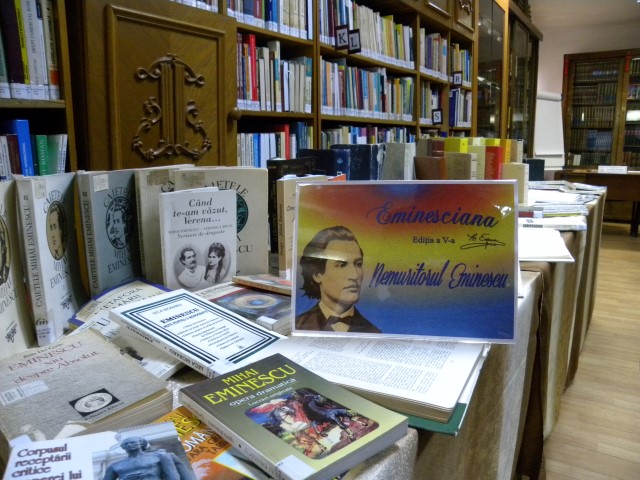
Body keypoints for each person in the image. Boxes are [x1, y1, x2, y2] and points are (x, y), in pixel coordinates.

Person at [295, 225, 380, 333]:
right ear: (317, 274)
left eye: (358, 264)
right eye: (341, 265)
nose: (354, 275)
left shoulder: (373, 332)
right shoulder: (298, 326)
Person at [103, 436, 181, 480]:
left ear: (140, 443)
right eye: (126, 444)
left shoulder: (159, 456)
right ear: (123, 447)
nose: (129, 445)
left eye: (132, 442)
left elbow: (172, 476)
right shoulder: (114, 466)